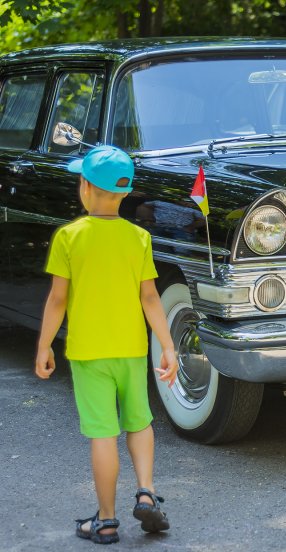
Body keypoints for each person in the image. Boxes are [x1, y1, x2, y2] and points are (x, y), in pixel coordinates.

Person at [34, 145, 178, 543]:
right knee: (140, 421)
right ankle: (146, 492)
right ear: (124, 193)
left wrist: (44, 346)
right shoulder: (138, 237)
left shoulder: (69, 236)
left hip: (88, 353)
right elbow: (149, 297)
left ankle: (107, 520)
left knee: (103, 434)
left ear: (85, 187)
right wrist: (168, 346)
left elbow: (58, 299)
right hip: (132, 349)